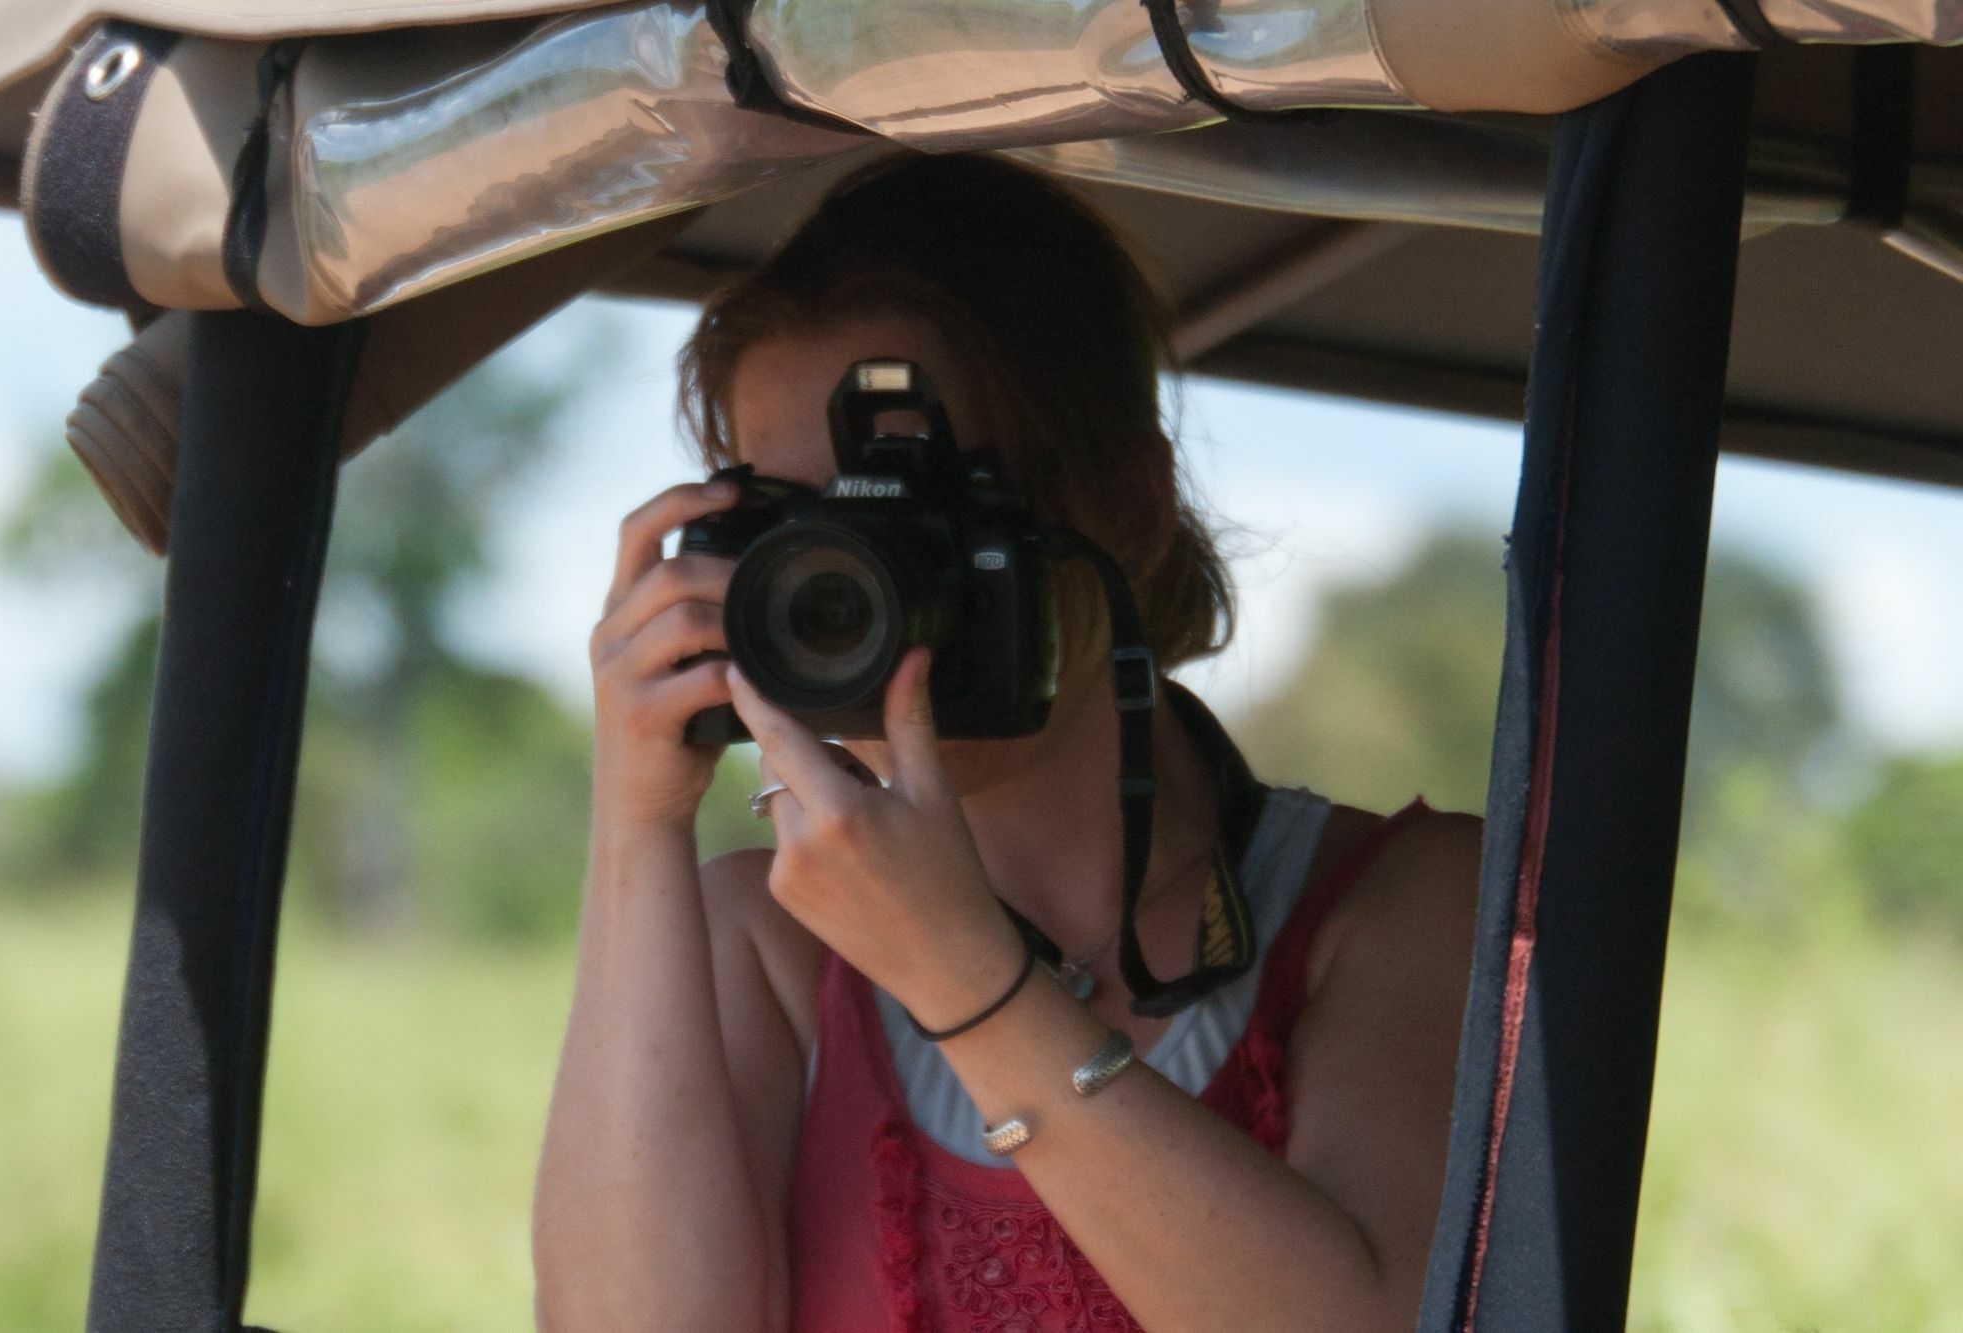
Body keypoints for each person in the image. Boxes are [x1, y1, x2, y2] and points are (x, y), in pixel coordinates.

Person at [532, 154, 1481, 1333]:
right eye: (803, 529)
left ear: (1126, 504)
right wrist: (637, 818)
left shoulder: (1398, 908)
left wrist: (964, 979)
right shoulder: (765, 947)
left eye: (917, 508)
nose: (858, 580)